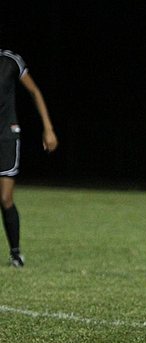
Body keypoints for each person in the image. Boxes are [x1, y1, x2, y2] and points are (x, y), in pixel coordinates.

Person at [0, 49, 58, 267]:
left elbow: (35, 92)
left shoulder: (10, 60)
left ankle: (15, 253)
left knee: (5, 198)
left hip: (6, 136)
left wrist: (48, 128)